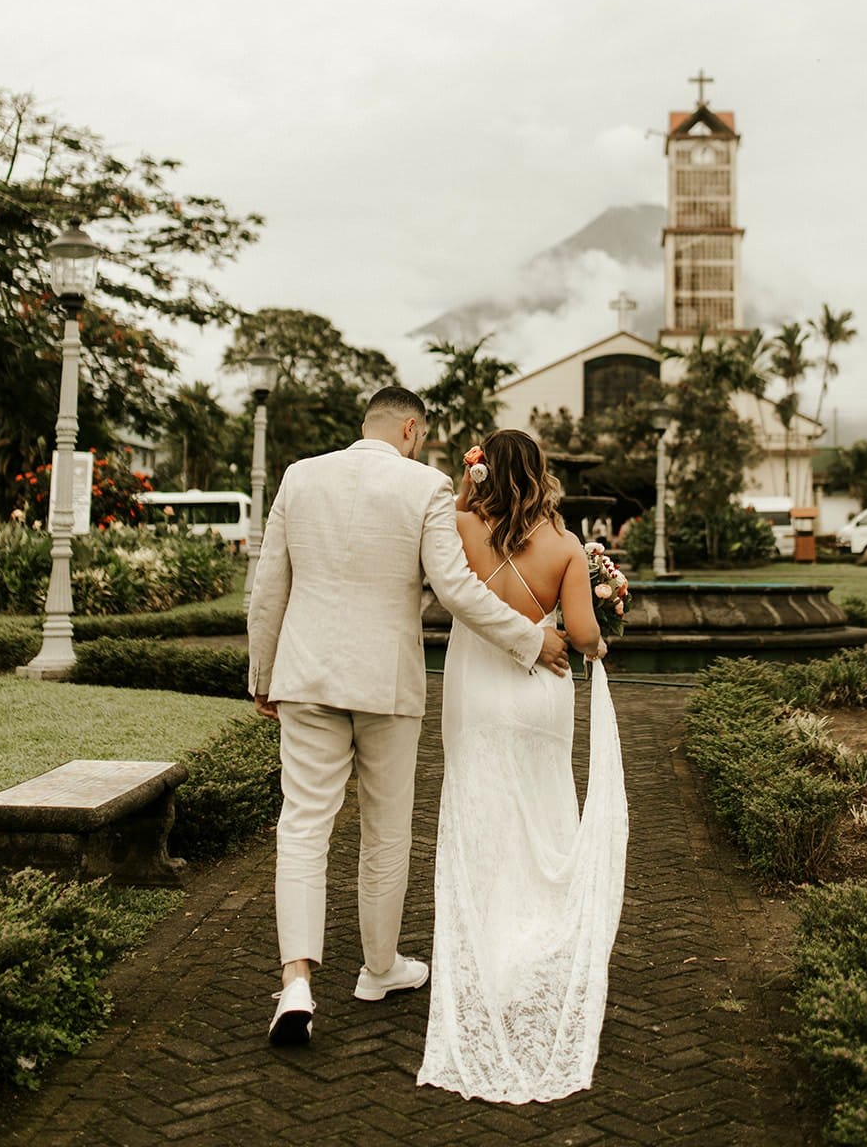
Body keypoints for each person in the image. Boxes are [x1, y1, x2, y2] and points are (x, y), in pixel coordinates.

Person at [246, 388, 570, 1047]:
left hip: (304, 674)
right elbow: (454, 590)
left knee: (304, 825)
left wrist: (262, 674)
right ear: (410, 428)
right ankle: (378, 968)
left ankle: (298, 980)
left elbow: (267, 587)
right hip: (385, 683)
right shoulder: (424, 485)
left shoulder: (299, 477)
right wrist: (530, 639)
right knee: (386, 830)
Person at [417, 429, 628, 1104]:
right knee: (540, 817)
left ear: (481, 471)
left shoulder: (454, 526)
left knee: (481, 817)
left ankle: (488, 956)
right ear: (540, 473)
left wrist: (462, 490)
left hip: (476, 690)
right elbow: (585, 638)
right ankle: (540, 950)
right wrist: (604, 603)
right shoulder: (566, 547)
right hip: (542, 696)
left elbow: (446, 586)